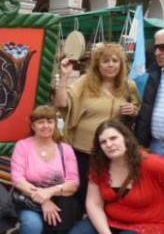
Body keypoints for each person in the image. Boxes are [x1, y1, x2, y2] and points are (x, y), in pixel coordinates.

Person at [65, 120, 164, 234]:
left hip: (149, 225)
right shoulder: (99, 167)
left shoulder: (152, 164)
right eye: (103, 142)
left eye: (113, 138)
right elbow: (93, 204)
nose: (109, 144)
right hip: (112, 221)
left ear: (126, 137)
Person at [54, 42, 140, 209]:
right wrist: (64, 76)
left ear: (121, 64)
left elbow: (138, 109)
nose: (110, 65)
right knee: (78, 194)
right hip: (82, 151)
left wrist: (134, 111)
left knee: (106, 195)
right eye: (105, 61)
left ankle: (101, 229)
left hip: (111, 153)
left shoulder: (129, 86)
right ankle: (72, 230)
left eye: (115, 61)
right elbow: (61, 102)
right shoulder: (86, 82)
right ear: (97, 64)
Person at [11, 105, 79, 234]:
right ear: (33, 125)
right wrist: (43, 200)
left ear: (56, 124)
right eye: (40, 122)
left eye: (50, 121)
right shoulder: (23, 146)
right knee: (32, 224)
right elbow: (17, 179)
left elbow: (73, 183)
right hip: (29, 200)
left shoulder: (65, 149)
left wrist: (51, 192)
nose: (45, 126)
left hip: (58, 203)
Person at [135, 29, 164, 155]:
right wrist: (141, 144)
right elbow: (146, 111)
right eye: (156, 48)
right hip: (155, 146)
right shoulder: (153, 75)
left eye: (162, 48)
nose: (157, 53)